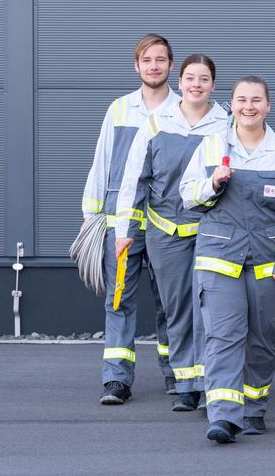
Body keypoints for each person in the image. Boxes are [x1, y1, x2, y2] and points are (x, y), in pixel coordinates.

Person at [179, 75, 275, 443]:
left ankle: (253, 409)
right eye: (241, 100)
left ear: (269, 106)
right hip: (218, 259)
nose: (248, 106)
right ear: (231, 104)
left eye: (256, 100)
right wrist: (213, 184)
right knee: (223, 336)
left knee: (263, 338)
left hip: (267, 263)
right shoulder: (211, 147)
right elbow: (188, 197)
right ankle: (223, 415)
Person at [115, 54, 232, 412]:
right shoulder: (156, 124)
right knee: (178, 308)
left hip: (212, 230)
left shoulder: (224, 124)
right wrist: (124, 230)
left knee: (214, 308)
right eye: (190, 78)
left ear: (213, 85)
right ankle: (186, 383)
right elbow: (134, 179)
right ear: (180, 82)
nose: (196, 85)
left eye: (204, 79)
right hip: (166, 233)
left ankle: (215, 380)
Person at [82, 33, 179, 404]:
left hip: (167, 223)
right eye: (147, 59)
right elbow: (102, 163)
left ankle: (178, 374)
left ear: (171, 65)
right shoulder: (120, 109)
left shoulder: (183, 109)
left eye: (160, 59)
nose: (153, 65)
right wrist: (92, 214)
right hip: (121, 224)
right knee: (119, 299)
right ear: (136, 66)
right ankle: (116, 380)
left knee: (172, 301)